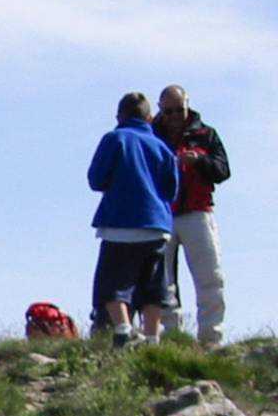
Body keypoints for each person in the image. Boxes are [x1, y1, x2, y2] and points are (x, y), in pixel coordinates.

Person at [88, 93, 179, 348]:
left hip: (119, 224)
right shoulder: (162, 147)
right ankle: (152, 337)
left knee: (113, 283)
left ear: (120, 116)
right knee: (153, 286)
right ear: (149, 118)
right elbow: (172, 189)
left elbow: (96, 179)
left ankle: (123, 328)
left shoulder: (114, 139)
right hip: (156, 225)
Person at [153, 85, 230, 345]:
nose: (175, 116)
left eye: (179, 110)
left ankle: (211, 338)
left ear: (188, 106)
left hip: (198, 212)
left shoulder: (205, 134)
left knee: (210, 277)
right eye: (168, 111)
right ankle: (170, 338)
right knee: (161, 281)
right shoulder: (151, 135)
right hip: (162, 214)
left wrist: (199, 161)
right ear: (160, 110)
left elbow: (223, 170)